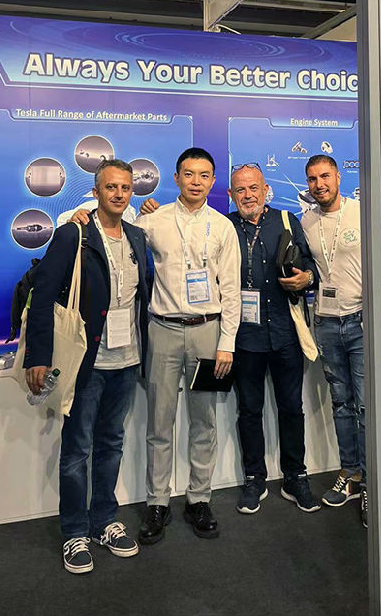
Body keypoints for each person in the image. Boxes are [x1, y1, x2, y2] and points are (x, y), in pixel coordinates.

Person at [25, 159, 149, 574]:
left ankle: (104, 521)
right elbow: (43, 296)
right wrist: (38, 356)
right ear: (96, 192)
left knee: (112, 443)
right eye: (111, 187)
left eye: (125, 187)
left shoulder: (136, 236)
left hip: (127, 359)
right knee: (77, 449)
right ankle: (75, 531)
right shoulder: (73, 234)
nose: (119, 194)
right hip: (87, 361)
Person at [136, 147, 240, 543]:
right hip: (162, 331)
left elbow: (231, 290)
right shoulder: (153, 221)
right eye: (189, 174)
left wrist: (227, 343)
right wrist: (82, 216)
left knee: (204, 421)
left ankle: (199, 498)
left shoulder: (223, 227)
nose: (196, 182)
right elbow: (113, 235)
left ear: (213, 182)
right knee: (159, 422)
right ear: (176, 177)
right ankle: (157, 502)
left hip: (207, 333)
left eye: (204, 175)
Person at [301, 154, 381, 528]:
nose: (319, 184)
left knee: (365, 406)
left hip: (362, 322)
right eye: (312, 179)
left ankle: (373, 483)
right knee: (341, 404)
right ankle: (351, 473)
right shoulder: (306, 221)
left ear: (339, 176)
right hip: (326, 323)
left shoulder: (364, 212)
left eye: (325, 176)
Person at [227, 163, 321, 515]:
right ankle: (255, 478)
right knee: (249, 411)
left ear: (265, 190)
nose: (248, 195)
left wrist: (306, 278)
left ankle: (295, 476)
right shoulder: (224, 226)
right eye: (240, 190)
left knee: (291, 408)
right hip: (243, 337)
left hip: (285, 333)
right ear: (231, 194)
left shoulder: (286, 221)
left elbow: (311, 266)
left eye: (254, 188)